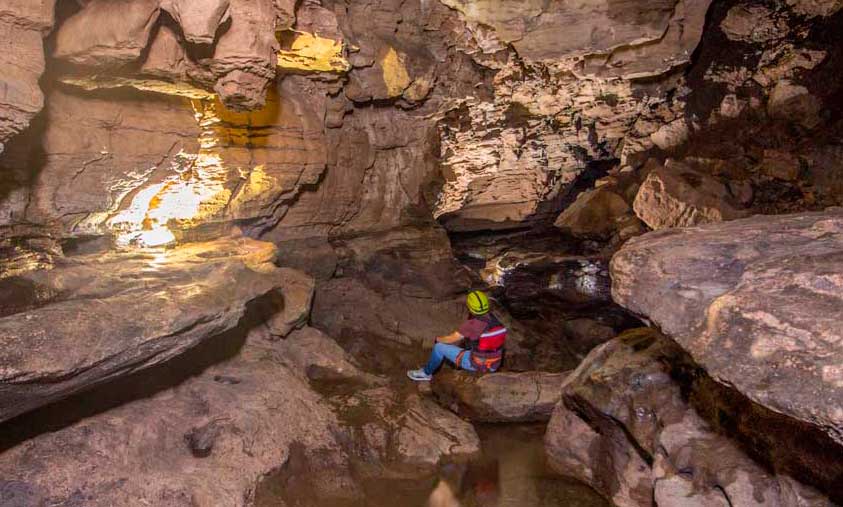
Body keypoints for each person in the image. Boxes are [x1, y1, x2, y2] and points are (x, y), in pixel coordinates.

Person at [407, 290, 507, 382]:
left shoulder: (471, 324)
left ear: (470, 307)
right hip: (494, 364)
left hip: (477, 364)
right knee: (472, 345)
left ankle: (426, 373)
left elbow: (450, 339)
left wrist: (437, 339)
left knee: (439, 347)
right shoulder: (495, 321)